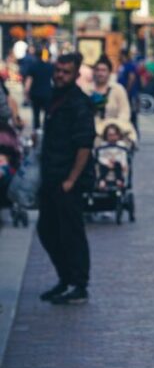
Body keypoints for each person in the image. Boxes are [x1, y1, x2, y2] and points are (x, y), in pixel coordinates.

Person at [37, 52, 95, 305]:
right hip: (50, 176)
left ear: (76, 74)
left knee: (71, 232)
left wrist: (71, 179)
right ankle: (65, 279)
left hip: (67, 179)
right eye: (58, 70)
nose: (60, 75)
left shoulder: (78, 103)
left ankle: (79, 285)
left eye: (65, 71)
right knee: (48, 230)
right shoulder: (54, 97)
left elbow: (85, 145)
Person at [95, 122, 130, 190]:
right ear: (106, 136)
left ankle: (119, 179)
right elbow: (100, 157)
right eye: (110, 135)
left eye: (114, 135)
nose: (112, 137)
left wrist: (123, 164)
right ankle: (102, 180)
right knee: (101, 167)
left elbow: (123, 156)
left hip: (117, 162)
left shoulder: (121, 145)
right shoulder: (103, 145)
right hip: (106, 162)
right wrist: (107, 162)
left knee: (118, 166)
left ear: (118, 135)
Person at [23, 51, 53, 129]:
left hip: (35, 93)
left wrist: (26, 94)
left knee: (36, 114)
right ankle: (46, 129)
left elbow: (28, 82)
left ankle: (36, 130)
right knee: (47, 113)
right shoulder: (50, 66)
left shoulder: (33, 66)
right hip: (47, 93)